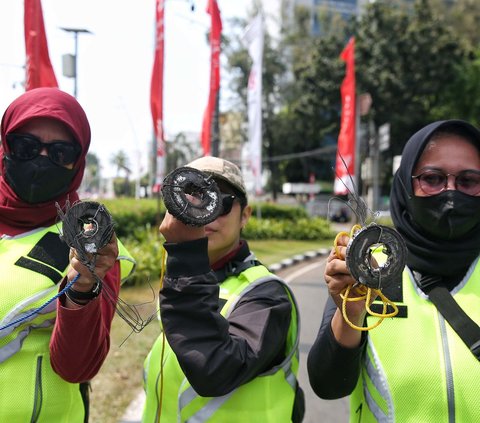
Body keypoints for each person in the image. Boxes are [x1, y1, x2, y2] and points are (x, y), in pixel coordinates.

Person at [307, 119, 480, 422]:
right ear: (406, 184)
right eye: (432, 178)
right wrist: (352, 312)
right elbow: (328, 385)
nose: (450, 192)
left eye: (468, 181)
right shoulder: (370, 265)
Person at [0, 87, 135, 422]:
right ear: (5, 147)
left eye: (60, 153)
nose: (42, 160)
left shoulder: (92, 245)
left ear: (79, 162)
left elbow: (79, 366)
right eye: (26, 146)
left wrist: (83, 287)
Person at [142, 156, 305, 423]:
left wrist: (185, 256)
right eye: (193, 198)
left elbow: (214, 369)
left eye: (221, 203)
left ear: (245, 216)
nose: (206, 213)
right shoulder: (185, 277)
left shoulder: (266, 295)